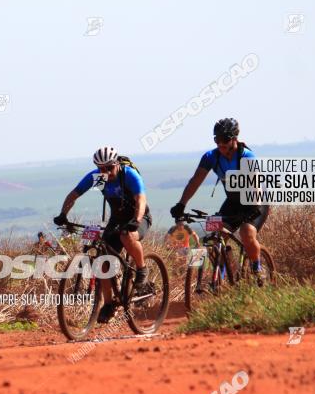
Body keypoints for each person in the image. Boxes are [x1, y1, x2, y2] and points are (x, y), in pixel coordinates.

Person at [54, 146, 152, 323]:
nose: (106, 172)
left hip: (139, 216)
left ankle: (141, 268)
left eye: (109, 167)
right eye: (101, 168)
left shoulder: (128, 174)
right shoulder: (99, 177)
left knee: (126, 236)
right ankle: (109, 304)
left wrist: (136, 220)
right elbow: (74, 194)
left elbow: (141, 199)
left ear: (116, 164)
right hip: (116, 219)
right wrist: (63, 214)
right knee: (102, 261)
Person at [170, 118, 270, 284]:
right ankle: (221, 276)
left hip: (255, 201)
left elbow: (256, 184)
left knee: (246, 232)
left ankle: (257, 268)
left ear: (234, 139)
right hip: (232, 202)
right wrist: (181, 204)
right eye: (217, 139)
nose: (220, 144)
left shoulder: (246, 156)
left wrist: (254, 206)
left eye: (225, 140)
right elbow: (195, 181)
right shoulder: (211, 157)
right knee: (214, 236)